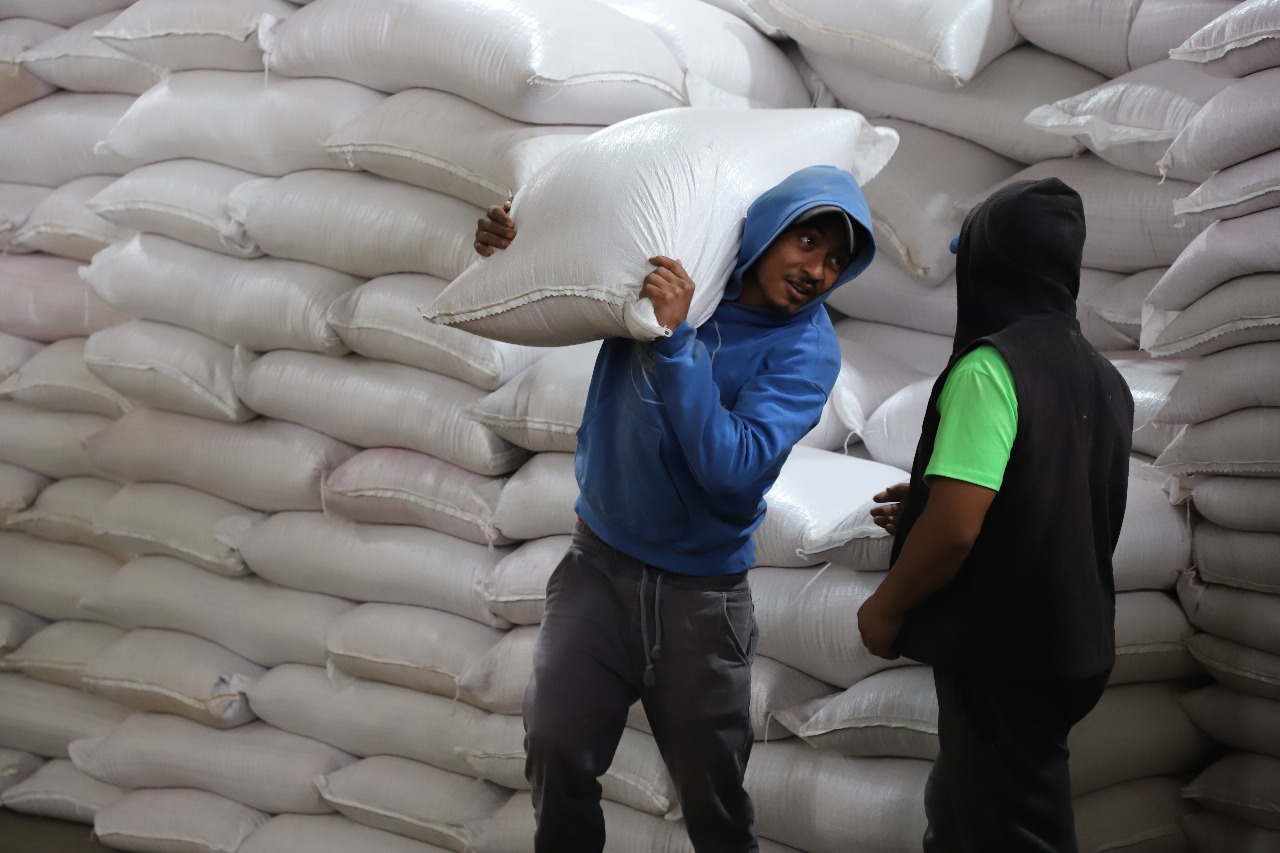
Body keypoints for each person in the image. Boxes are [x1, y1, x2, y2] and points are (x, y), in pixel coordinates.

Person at [475, 165, 876, 853]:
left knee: (713, 802)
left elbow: (734, 467)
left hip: (699, 601)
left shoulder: (806, 350)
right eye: (807, 241)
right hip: (596, 569)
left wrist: (675, 339)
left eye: (836, 260)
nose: (817, 269)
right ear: (768, 231)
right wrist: (514, 237)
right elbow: (569, 270)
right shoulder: (679, 267)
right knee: (554, 745)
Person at [857, 177, 1135, 852]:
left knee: (1016, 835)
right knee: (959, 818)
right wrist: (923, 505)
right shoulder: (1105, 379)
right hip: (1073, 645)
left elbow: (956, 529)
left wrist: (886, 607)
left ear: (993, 262)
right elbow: (1046, 501)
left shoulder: (990, 368)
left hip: (1007, 654)